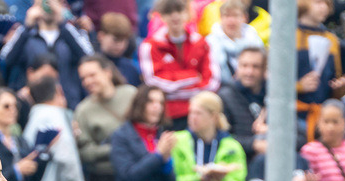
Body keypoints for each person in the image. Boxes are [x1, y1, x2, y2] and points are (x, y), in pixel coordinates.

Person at [139, 0, 220, 129]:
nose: (175, 16)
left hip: (201, 110)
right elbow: (153, 82)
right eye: (169, 12)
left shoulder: (202, 43)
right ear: (161, 15)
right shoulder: (150, 46)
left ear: (188, 13)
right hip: (168, 115)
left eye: (179, 10)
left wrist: (173, 89)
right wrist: (193, 76)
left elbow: (212, 82)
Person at [0, 0, 95, 109]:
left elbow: (89, 58)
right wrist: (27, 26)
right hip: (34, 105)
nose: (48, 8)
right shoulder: (24, 33)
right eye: (44, 3)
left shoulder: (72, 32)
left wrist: (62, 22)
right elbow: (6, 59)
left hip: (69, 104)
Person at [74, 53, 136, 181]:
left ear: (107, 72)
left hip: (136, 174)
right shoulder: (83, 110)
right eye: (83, 78)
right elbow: (85, 152)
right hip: (105, 180)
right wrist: (117, 149)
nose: (88, 81)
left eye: (92, 75)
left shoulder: (131, 94)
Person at [296, 0, 345, 141]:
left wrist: (340, 87)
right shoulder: (290, 36)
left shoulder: (331, 40)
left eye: (326, 3)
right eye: (318, 2)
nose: (324, 8)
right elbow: (273, 81)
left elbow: (335, 77)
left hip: (323, 117)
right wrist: (299, 86)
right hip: (295, 115)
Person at [218, 45, 267, 161]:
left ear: (264, 70)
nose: (249, 72)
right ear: (237, 68)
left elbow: (299, 136)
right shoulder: (225, 97)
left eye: (256, 67)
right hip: (239, 161)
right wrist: (254, 144)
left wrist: (274, 131)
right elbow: (220, 138)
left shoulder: (275, 97)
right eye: (244, 66)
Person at [206, 0, 264, 86]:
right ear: (221, 18)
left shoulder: (254, 39)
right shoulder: (210, 42)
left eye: (235, 15)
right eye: (227, 15)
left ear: (245, 17)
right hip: (222, 87)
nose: (231, 20)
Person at [95, 11, 141, 87]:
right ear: (101, 36)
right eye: (116, 40)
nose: (120, 45)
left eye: (124, 40)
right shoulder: (92, 67)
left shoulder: (131, 68)